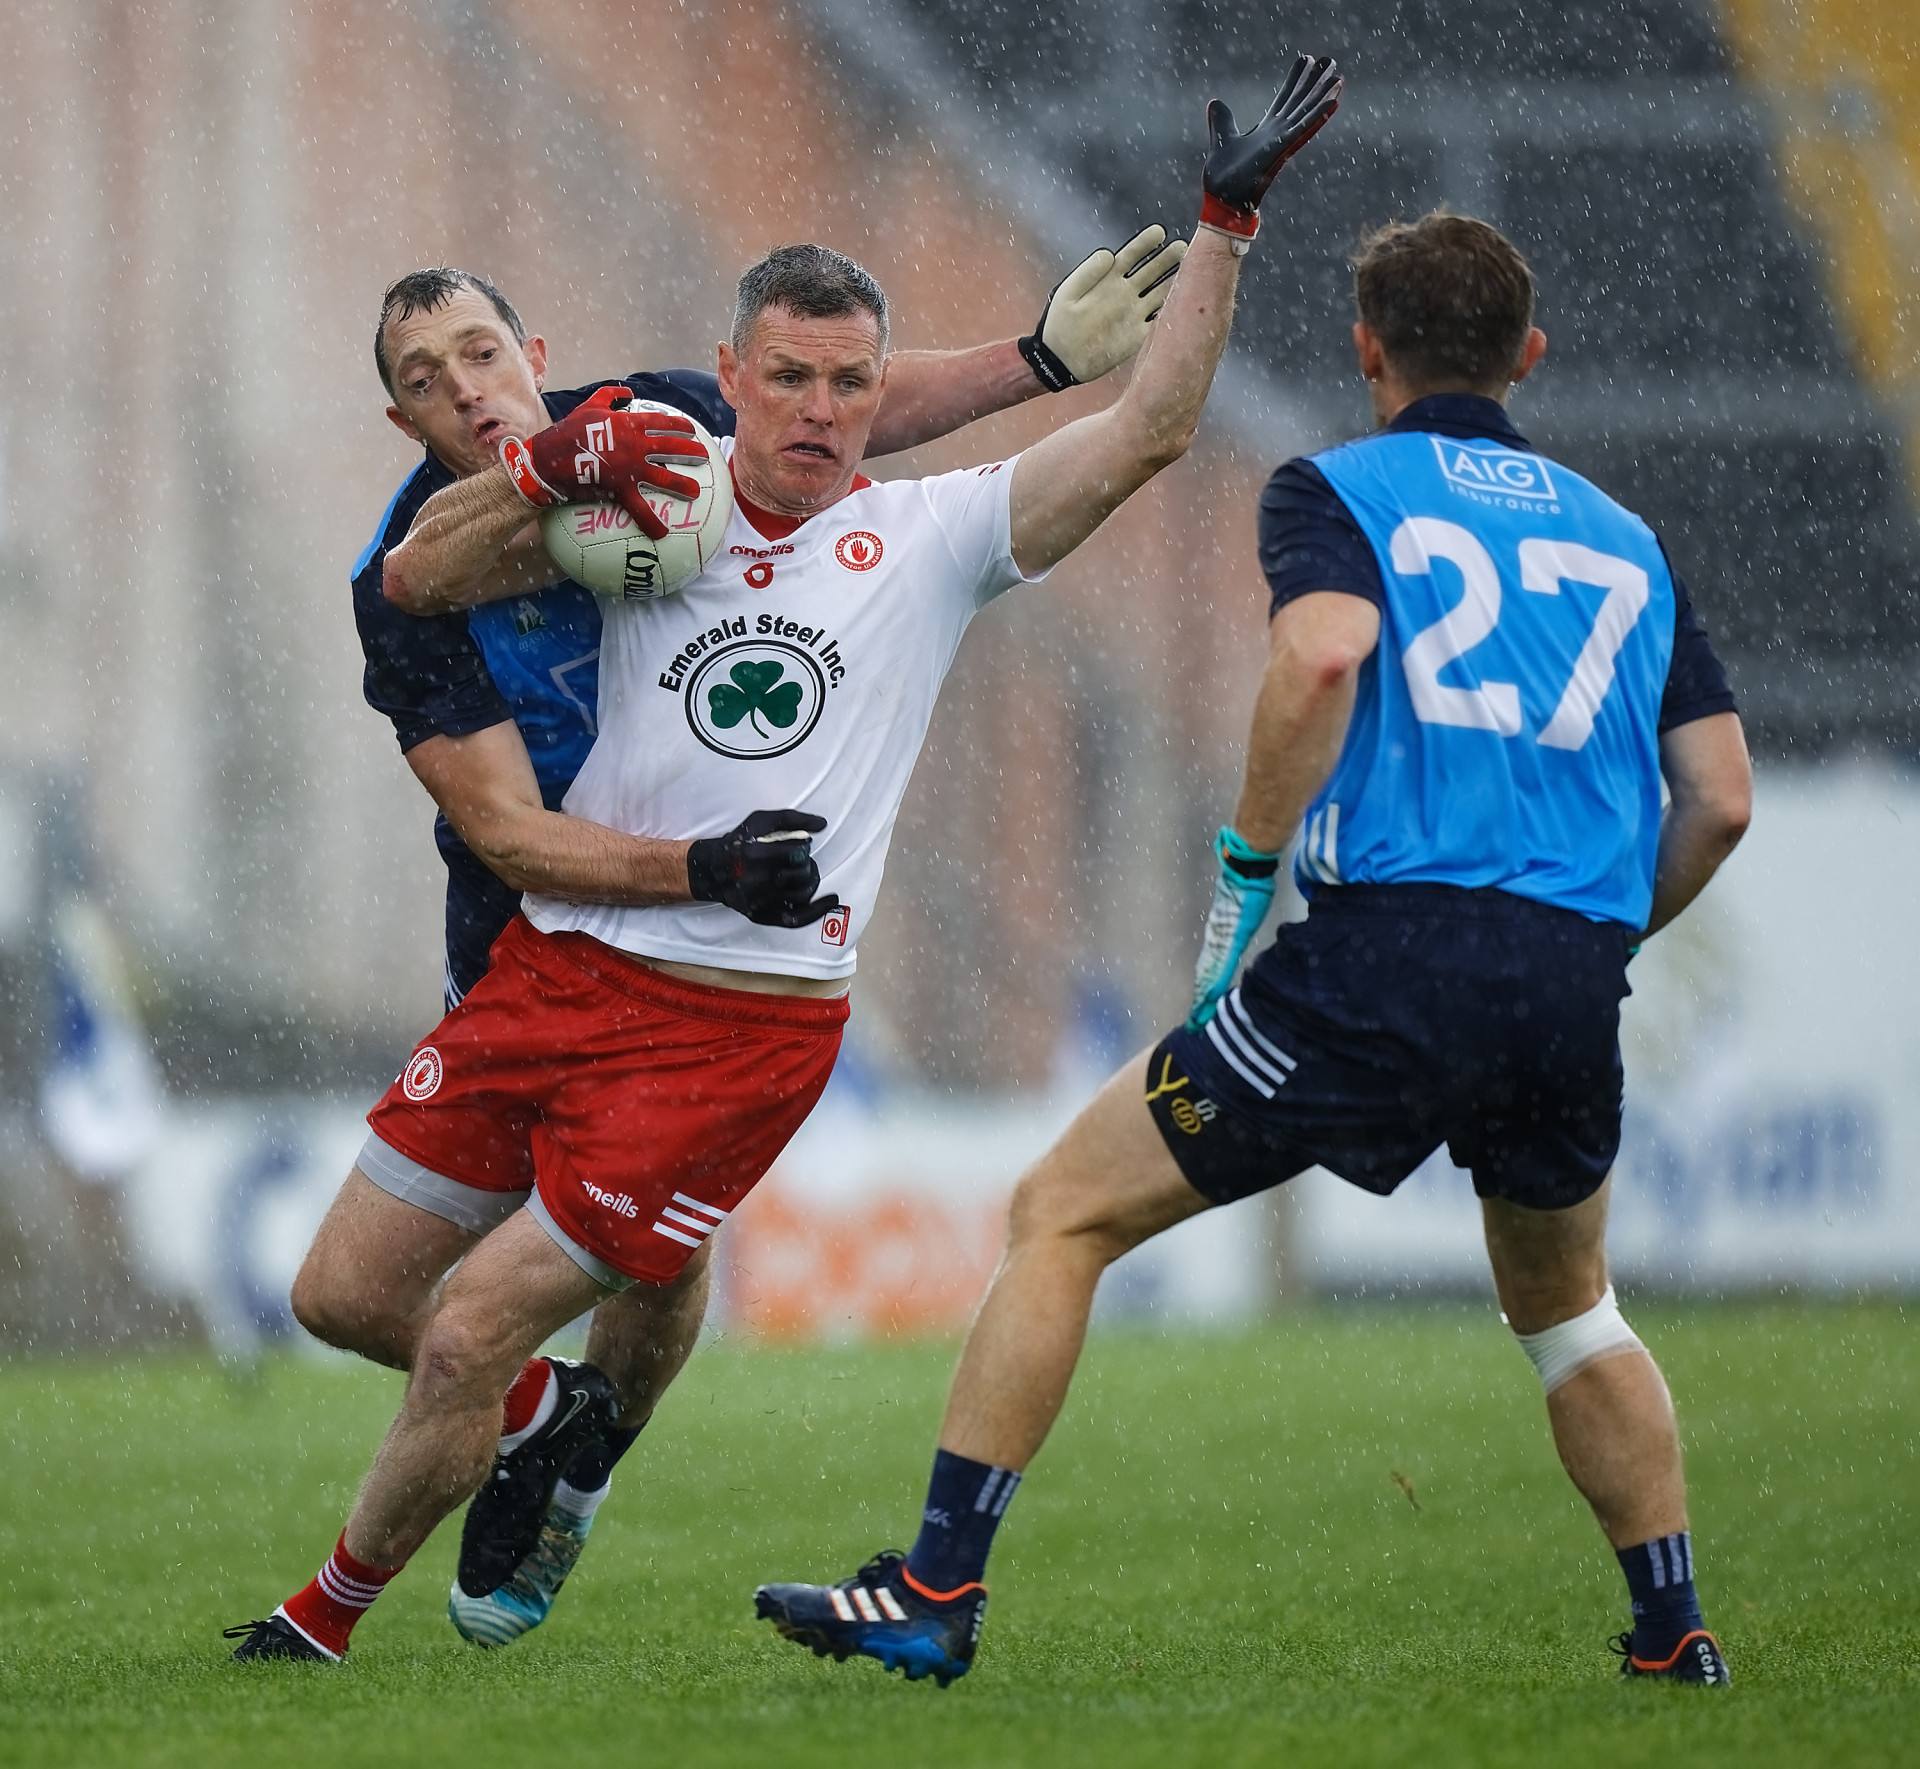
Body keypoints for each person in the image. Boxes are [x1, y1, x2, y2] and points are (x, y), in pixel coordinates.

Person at [223, 52, 1343, 1665]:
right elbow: (417, 588)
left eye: (851, 386)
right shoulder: (634, 488)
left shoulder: (931, 538)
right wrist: (558, 474)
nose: (823, 412)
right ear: (722, 381)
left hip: (742, 1013)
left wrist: (1213, 235)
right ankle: (557, 1421)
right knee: (348, 1298)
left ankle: (321, 1620)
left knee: (469, 1319)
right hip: (544, 943)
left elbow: (1154, 425)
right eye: (790, 382)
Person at [753, 211, 1751, 1689]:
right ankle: (1675, 1630)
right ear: (1528, 357)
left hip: (1383, 959)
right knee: (1566, 1305)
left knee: (1064, 1211)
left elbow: (1325, 653)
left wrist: (1246, 861)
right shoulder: (1626, 537)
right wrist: (1590, 940)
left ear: (1368, 350)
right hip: (1564, 977)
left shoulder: (1338, 489)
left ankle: (935, 1587)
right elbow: (1720, 798)